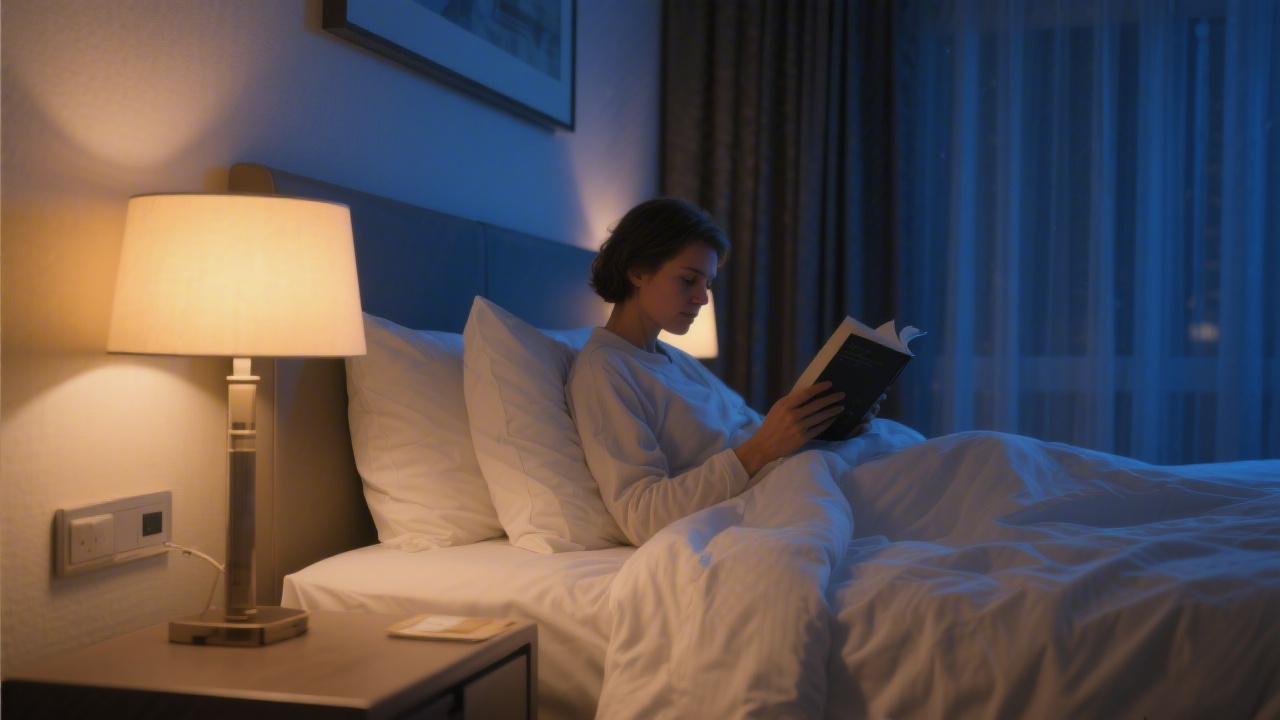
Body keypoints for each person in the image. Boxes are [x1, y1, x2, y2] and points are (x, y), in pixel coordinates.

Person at [566, 198, 882, 546]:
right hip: (779, 496)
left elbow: (750, 430)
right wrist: (761, 449)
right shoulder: (604, 371)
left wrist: (827, 425)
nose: (702, 298)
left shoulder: (672, 357)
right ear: (638, 271)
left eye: (708, 284)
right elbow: (641, 516)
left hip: (802, 471)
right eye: (689, 280)